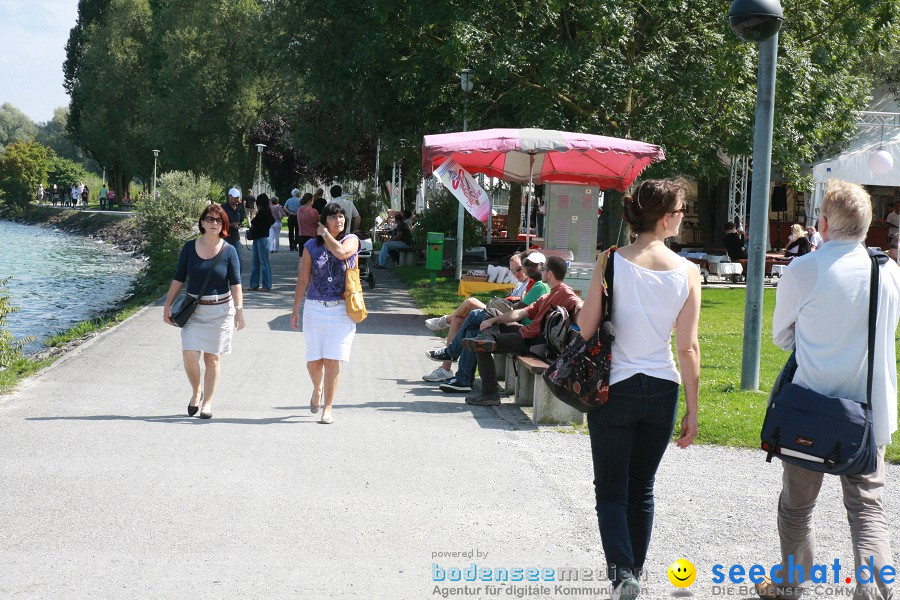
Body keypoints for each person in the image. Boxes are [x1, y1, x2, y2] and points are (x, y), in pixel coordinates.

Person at [755, 180, 900, 600]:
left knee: (797, 506)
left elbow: (783, 337)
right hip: (871, 409)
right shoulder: (888, 271)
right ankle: (874, 591)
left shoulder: (805, 269)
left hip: (811, 406)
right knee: (867, 508)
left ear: (824, 222)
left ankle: (791, 581)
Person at [576, 178, 700, 600]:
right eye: (682, 211)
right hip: (663, 387)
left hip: (615, 386)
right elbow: (687, 346)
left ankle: (622, 575)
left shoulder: (610, 260)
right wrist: (693, 408)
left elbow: (585, 326)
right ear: (666, 219)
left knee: (610, 489)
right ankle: (636, 574)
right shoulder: (689, 272)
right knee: (641, 488)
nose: (683, 217)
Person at [462, 256, 581, 406]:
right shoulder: (547, 295)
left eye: (543, 269)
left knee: (480, 347)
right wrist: (493, 320)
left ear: (550, 273)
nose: (541, 272)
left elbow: (577, 301)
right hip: (526, 333)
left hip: (532, 341)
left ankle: (490, 394)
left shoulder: (564, 292)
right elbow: (520, 313)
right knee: (492, 311)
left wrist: (579, 307)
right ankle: (488, 338)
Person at [163, 204, 244, 420]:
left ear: (224, 224)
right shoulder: (189, 248)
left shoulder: (229, 251)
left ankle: (207, 402)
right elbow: (179, 277)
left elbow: (236, 282)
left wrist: (239, 310)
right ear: (202, 222)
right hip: (194, 311)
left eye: (218, 220)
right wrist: (167, 305)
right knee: (189, 355)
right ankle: (196, 390)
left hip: (220, 312)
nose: (214, 223)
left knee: (212, 359)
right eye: (210, 219)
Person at [428, 252, 550, 393]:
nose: (528, 268)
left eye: (533, 265)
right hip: (520, 329)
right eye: (526, 265)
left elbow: (516, 313)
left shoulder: (540, 286)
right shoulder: (534, 285)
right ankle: (463, 379)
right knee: (474, 330)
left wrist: (495, 317)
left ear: (543, 267)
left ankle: (452, 353)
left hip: (523, 332)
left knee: (474, 314)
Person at [290, 202, 361, 424]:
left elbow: (340, 253)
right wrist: (295, 308)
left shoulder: (351, 240)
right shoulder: (311, 245)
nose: (339, 220)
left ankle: (328, 408)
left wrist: (326, 235)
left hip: (341, 309)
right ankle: (317, 388)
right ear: (324, 221)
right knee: (314, 362)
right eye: (333, 217)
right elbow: (303, 279)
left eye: (341, 217)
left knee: (332, 360)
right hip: (314, 307)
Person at [248, 194, 274, 291]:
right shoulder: (267, 211)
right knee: (260, 262)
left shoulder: (262, 212)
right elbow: (272, 221)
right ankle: (258, 284)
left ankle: (263, 285)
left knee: (261, 262)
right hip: (260, 237)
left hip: (261, 238)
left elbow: (254, 222)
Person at [221, 187, 246, 272]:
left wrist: (239, 224)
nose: (236, 199)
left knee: (240, 262)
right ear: (229, 196)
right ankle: (225, 282)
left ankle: (236, 281)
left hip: (235, 238)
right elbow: (219, 222)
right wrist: (230, 225)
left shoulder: (239, 208)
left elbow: (241, 220)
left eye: (238, 197)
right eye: (235, 197)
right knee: (224, 262)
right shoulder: (223, 207)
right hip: (225, 238)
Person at [297, 192, 319, 256]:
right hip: (312, 237)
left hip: (302, 236)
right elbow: (318, 222)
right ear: (309, 201)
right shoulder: (314, 211)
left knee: (302, 258)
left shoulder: (299, 210)